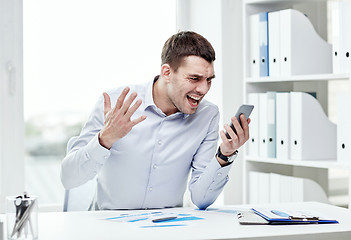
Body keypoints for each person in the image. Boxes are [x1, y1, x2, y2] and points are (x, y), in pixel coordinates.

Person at [61, 31, 250, 210]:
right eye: (194, 78)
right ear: (167, 73)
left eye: (209, 80)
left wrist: (225, 154)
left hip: (168, 226)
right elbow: (69, 179)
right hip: (111, 225)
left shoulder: (207, 115)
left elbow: (201, 199)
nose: (203, 89)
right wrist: (105, 139)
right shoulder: (115, 104)